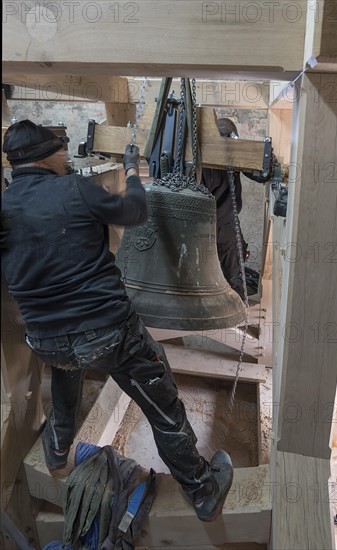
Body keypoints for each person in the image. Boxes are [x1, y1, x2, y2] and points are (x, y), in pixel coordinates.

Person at [1, 120, 233, 523]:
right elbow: (136, 211)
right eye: (62, 149)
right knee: (162, 404)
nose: (66, 156)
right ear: (48, 156)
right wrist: (131, 171)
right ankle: (202, 488)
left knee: (65, 367)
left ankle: (58, 446)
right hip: (108, 334)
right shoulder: (77, 189)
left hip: (45, 338)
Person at [201, 118, 257, 299]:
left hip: (225, 221)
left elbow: (258, 173)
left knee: (233, 266)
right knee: (229, 270)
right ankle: (228, 298)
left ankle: (229, 297)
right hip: (215, 223)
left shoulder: (232, 156)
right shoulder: (207, 162)